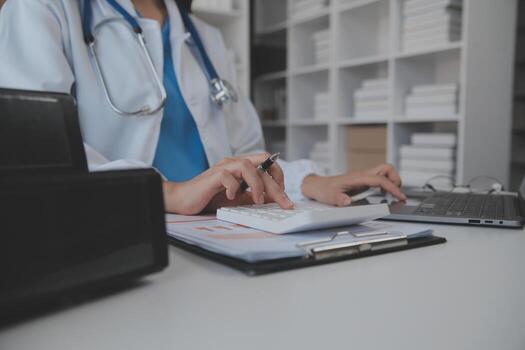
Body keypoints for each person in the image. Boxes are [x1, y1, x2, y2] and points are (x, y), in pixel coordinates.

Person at [0, 0, 406, 215]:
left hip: (217, 232)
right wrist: (170, 193)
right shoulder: (43, 8)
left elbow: (248, 155)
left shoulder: (206, 39)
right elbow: (39, 151)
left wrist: (309, 182)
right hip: (115, 231)